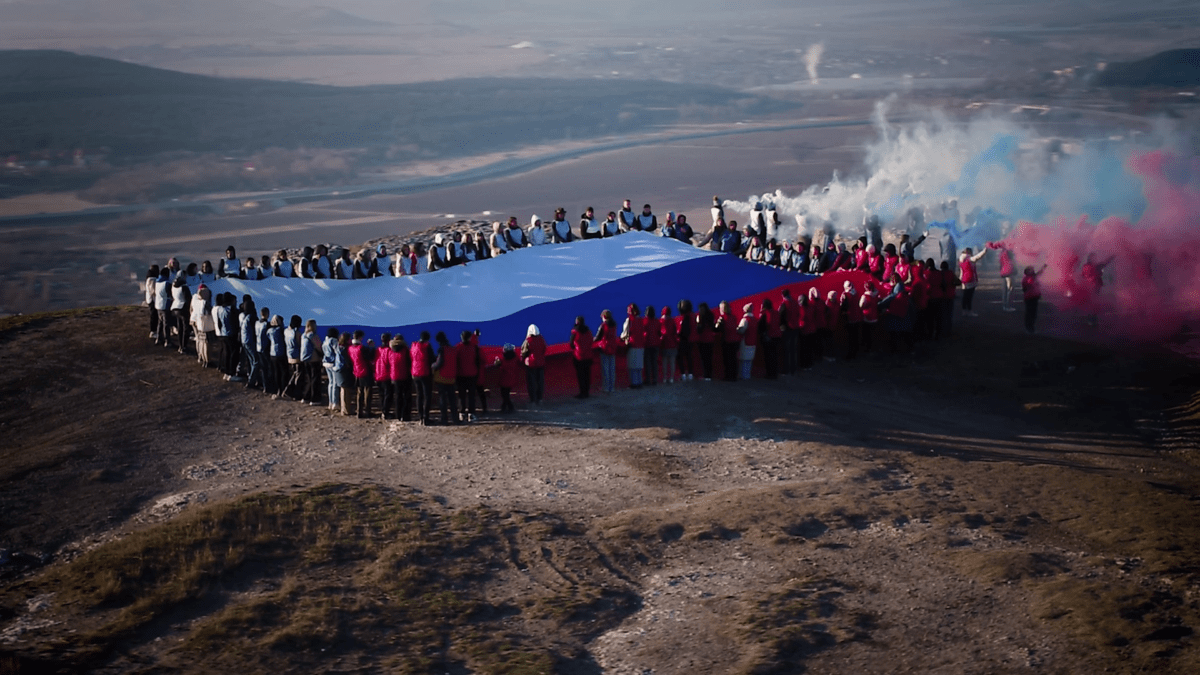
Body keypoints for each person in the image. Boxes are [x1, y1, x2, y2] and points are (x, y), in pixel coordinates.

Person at [432, 331, 459, 425]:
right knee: (452, 400)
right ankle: (455, 419)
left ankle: (445, 419)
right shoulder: (452, 349)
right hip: (451, 377)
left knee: (443, 399)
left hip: (442, 377)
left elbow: (439, 363)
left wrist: (432, 366)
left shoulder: (441, 349)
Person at [456, 330, 481, 420]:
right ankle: (471, 413)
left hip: (460, 375)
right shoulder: (474, 347)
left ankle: (462, 413)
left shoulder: (458, 347)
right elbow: (477, 361)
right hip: (472, 374)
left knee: (461, 395)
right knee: (471, 395)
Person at [410, 331, 435, 425]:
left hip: (415, 373)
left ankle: (420, 417)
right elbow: (432, 359)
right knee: (427, 395)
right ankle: (426, 417)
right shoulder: (427, 346)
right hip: (425, 372)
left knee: (419, 395)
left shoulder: (413, 346)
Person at [349, 330, 375, 418]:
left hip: (357, 371)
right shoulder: (362, 348)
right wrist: (371, 347)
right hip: (365, 371)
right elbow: (370, 357)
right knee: (367, 392)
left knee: (359, 392)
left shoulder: (351, 348)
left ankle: (359, 411)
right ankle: (367, 410)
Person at [521, 324, 547, 405]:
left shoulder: (528, 341)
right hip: (540, 363)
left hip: (531, 364)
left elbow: (524, 352)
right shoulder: (541, 339)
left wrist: (523, 359)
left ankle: (532, 399)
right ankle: (540, 399)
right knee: (540, 382)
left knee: (531, 382)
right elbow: (544, 349)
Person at [388, 334, 412, 421]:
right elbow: (409, 362)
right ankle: (405, 415)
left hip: (394, 376)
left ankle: (398, 414)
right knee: (406, 396)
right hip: (404, 375)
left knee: (398, 396)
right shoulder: (405, 350)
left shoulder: (391, 351)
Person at [569, 316, 594, 398]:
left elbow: (571, 344)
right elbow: (591, 341)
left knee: (581, 375)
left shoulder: (575, 332)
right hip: (588, 355)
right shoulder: (588, 331)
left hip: (578, 356)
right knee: (587, 375)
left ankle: (582, 392)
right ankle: (586, 392)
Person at [595, 310, 619, 394]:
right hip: (613, 348)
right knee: (612, 368)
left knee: (605, 369)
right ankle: (612, 387)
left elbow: (597, 337)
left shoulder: (603, 326)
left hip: (605, 348)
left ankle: (606, 387)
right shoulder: (614, 324)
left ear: (604, 317)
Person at [959, 247, 987, 317]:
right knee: (969, 297)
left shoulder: (961, 259)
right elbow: (978, 257)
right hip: (970, 280)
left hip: (964, 280)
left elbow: (961, 272)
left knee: (965, 297)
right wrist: (985, 250)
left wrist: (960, 280)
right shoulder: (969, 259)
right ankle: (969, 311)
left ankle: (964, 311)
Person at [622, 305, 645, 389]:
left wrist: (623, 338)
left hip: (632, 344)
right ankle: (639, 382)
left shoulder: (629, 320)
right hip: (641, 344)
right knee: (639, 365)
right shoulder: (641, 320)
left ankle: (634, 383)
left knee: (632, 365)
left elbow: (625, 332)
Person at [191, 285, 215, 368]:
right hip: (207, 326)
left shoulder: (196, 300)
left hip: (200, 325)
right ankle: (208, 360)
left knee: (201, 343)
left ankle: (203, 359)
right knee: (208, 344)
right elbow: (209, 313)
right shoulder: (205, 303)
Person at [492, 344, 520, 412]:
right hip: (512, 378)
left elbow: (496, 364)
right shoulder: (515, 358)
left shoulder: (502, 359)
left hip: (504, 379)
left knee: (504, 395)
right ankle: (505, 408)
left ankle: (509, 408)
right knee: (506, 394)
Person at [715, 300, 739, 381]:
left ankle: (728, 376)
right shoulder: (733, 317)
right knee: (733, 359)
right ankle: (734, 376)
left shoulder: (722, 318)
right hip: (735, 340)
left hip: (727, 340)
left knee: (727, 360)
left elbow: (716, 329)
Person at [239, 298, 260, 389]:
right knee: (256, 361)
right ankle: (251, 380)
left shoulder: (244, 316)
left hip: (244, 340)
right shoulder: (252, 317)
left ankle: (252, 377)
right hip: (250, 341)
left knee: (251, 360)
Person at [170, 273, 192, 354]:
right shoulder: (184, 287)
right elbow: (188, 298)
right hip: (183, 308)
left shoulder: (173, 285)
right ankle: (184, 346)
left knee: (180, 328)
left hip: (175, 307)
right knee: (186, 328)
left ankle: (180, 346)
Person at [301, 319, 322, 405]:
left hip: (305, 359)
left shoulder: (303, 335)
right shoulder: (313, 336)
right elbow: (319, 346)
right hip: (314, 359)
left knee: (309, 379)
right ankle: (315, 399)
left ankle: (306, 397)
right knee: (315, 379)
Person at [1022, 264, 1048, 333]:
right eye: (1031, 269)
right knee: (1030, 313)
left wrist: (1043, 267)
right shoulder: (1027, 278)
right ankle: (1029, 328)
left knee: (1033, 313)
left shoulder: (1031, 277)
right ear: (1027, 271)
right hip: (1030, 298)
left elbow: (1039, 273)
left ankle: (1031, 327)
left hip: (1033, 297)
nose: (1033, 270)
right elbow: (1029, 286)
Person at [284, 315, 305, 401]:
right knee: (298, 376)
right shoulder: (297, 333)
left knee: (294, 374)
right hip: (297, 356)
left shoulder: (286, 331)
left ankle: (288, 391)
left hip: (289, 355)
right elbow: (300, 344)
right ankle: (295, 393)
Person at [695, 302, 717, 381]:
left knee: (704, 358)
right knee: (709, 358)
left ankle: (706, 375)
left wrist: (697, 323)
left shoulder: (701, 317)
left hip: (703, 339)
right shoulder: (711, 316)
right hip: (710, 339)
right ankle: (709, 375)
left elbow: (699, 330)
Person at [760, 298, 781, 379]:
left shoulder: (765, 313)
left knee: (769, 357)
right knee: (774, 356)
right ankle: (774, 373)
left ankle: (770, 374)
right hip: (777, 336)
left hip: (769, 337)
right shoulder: (776, 312)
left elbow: (761, 326)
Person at [737, 303, 758, 380]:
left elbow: (741, 330)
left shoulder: (745, 320)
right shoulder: (755, 319)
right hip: (753, 341)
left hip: (745, 341)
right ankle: (747, 375)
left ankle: (743, 376)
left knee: (743, 360)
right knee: (749, 360)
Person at [675, 299, 695, 381]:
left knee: (680, 357)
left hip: (683, 340)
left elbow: (683, 330)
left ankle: (683, 374)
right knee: (689, 357)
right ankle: (690, 373)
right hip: (691, 340)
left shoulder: (684, 317)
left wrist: (678, 334)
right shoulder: (692, 316)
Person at [322, 327, 341, 412]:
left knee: (330, 383)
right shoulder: (333, 341)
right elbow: (337, 351)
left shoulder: (325, 341)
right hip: (333, 363)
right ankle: (335, 403)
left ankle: (330, 402)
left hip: (326, 363)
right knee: (335, 384)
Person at [375, 332, 393, 417]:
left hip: (378, 374)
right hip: (386, 374)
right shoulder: (388, 350)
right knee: (388, 394)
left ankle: (383, 410)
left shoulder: (378, 349)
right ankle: (386, 411)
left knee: (382, 394)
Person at [268, 314, 287, 393]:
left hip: (272, 353)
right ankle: (283, 388)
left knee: (276, 371)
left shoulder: (269, 331)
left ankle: (276, 388)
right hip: (281, 352)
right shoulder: (281, 330)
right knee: (283, 372)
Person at [153, 267, 172, 347]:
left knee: (160, 323)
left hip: (158, 305)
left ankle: (158, 338)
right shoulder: (167, 283)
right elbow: (170, 294)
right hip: (165, 305)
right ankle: (167, 340)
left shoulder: (157, 282)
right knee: (166, 324)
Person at [334, 332, 353, 415]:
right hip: (344, 370)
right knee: (346, 390)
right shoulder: (344, 349)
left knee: (343, 390)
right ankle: (346, 410)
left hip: (338, 369)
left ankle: (344, 408)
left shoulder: (338, 347)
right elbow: (347, 360)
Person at [659, 306, 678, 383]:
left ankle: (665, 378)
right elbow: (675, 331)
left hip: (664, 343)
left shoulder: (660, 321)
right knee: (672, 362)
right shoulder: (672, 321)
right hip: (673, 343)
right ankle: (672, 378)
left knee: (664, 362)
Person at [643, 305, 661, 386]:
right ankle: (654, 379)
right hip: (656, 343)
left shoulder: (644, 321)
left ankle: (648, 379)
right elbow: (659, 332)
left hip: (647, 343)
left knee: (647, 363)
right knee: (654, 362)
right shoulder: (657, 321)